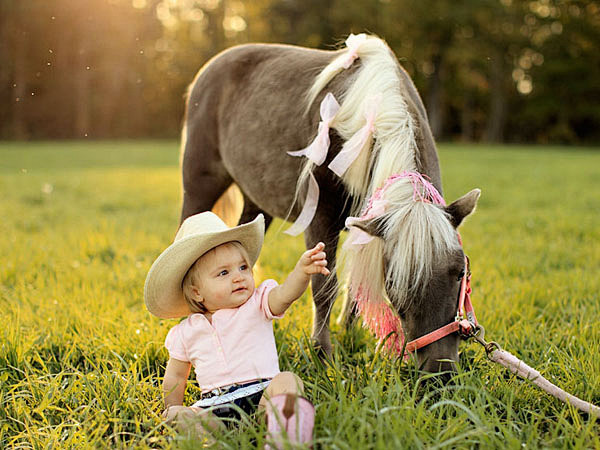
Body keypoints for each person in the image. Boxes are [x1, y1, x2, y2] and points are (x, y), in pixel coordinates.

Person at [144, 211, 329, 447]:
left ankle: (285, 439)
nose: (238, 277)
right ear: (196, 292)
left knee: (287, 380)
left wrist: (301, 273)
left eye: (243, 267)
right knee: (175, 416)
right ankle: (214, 442)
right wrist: (172, 406)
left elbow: (284, 295)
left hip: (263, 397)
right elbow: (176, 376)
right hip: (214, 408)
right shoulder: (185, 332)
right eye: (224, 272)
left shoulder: (257, 304)